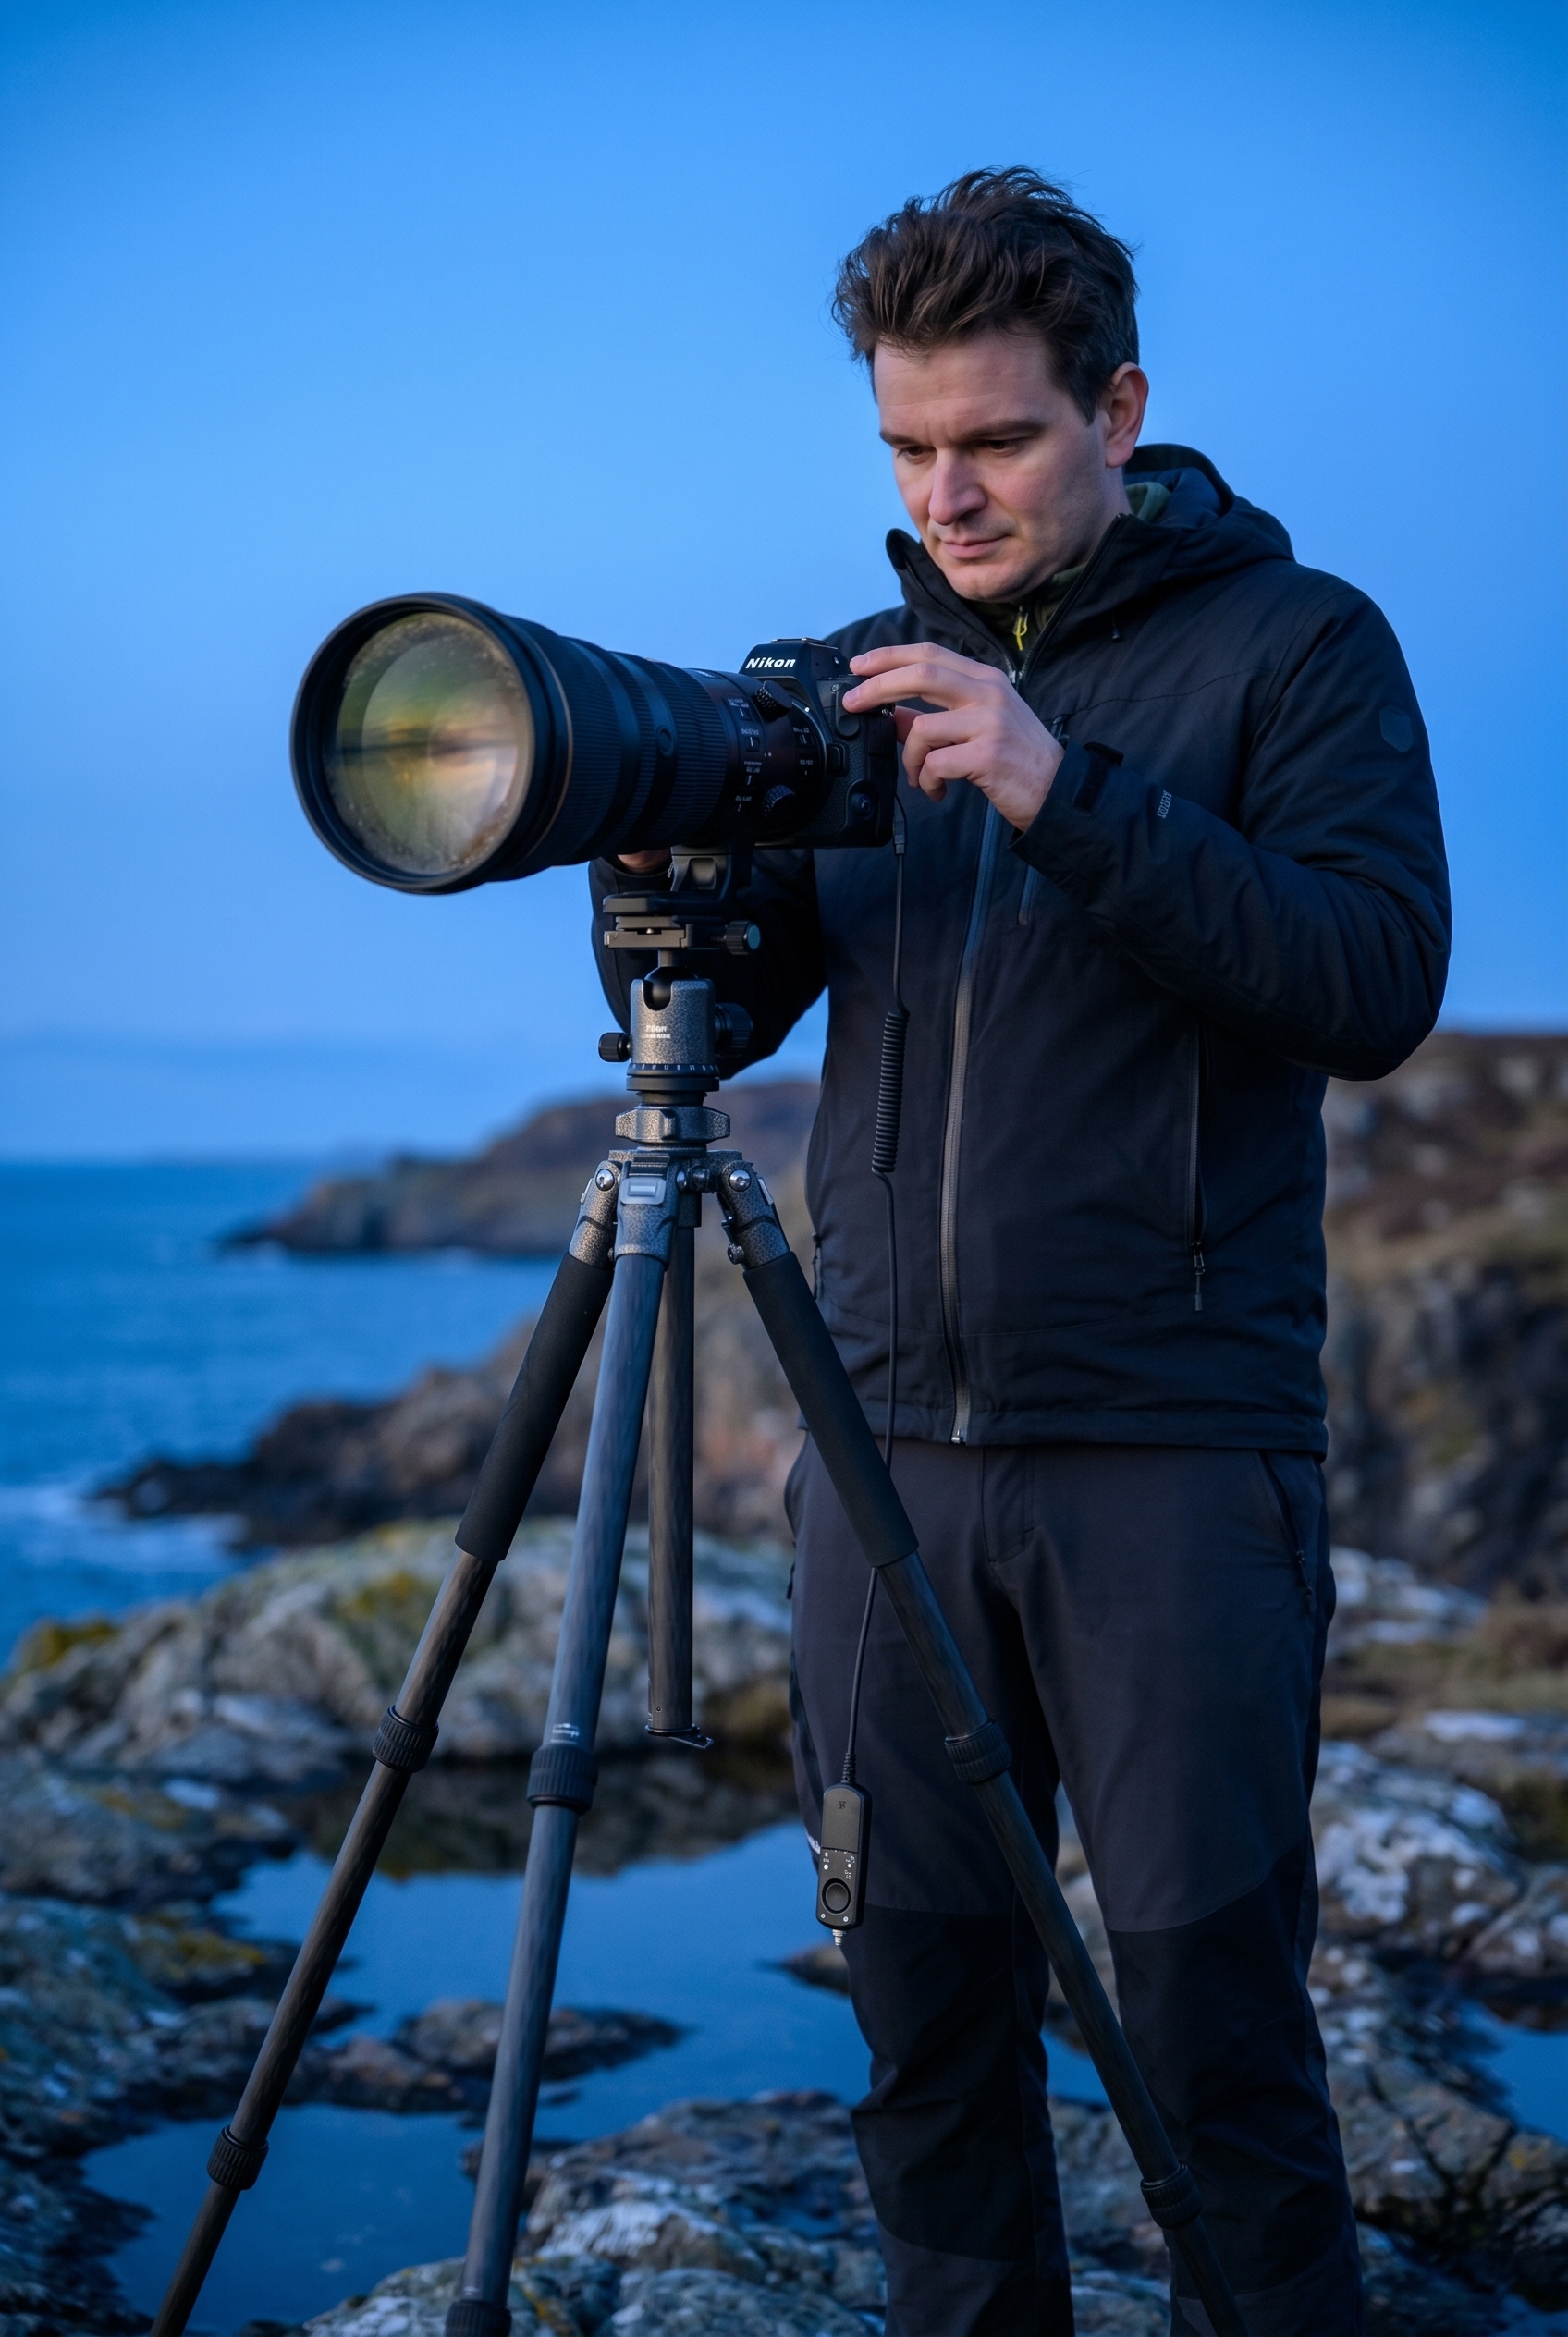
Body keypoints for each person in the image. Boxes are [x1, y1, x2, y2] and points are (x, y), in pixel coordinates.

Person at [594, 167, 1449, 2336]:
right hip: (881, 1460)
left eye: (992, 438)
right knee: (922, 2035)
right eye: (904, 445)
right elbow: (729, 1013)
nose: (942, 494)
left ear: (1117, 410)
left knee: (1210, 2040)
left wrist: (1068, 793)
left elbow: (1366, 981)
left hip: (1169, 1457)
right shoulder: (853, 689)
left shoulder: (1298, 646)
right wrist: (663, 884)